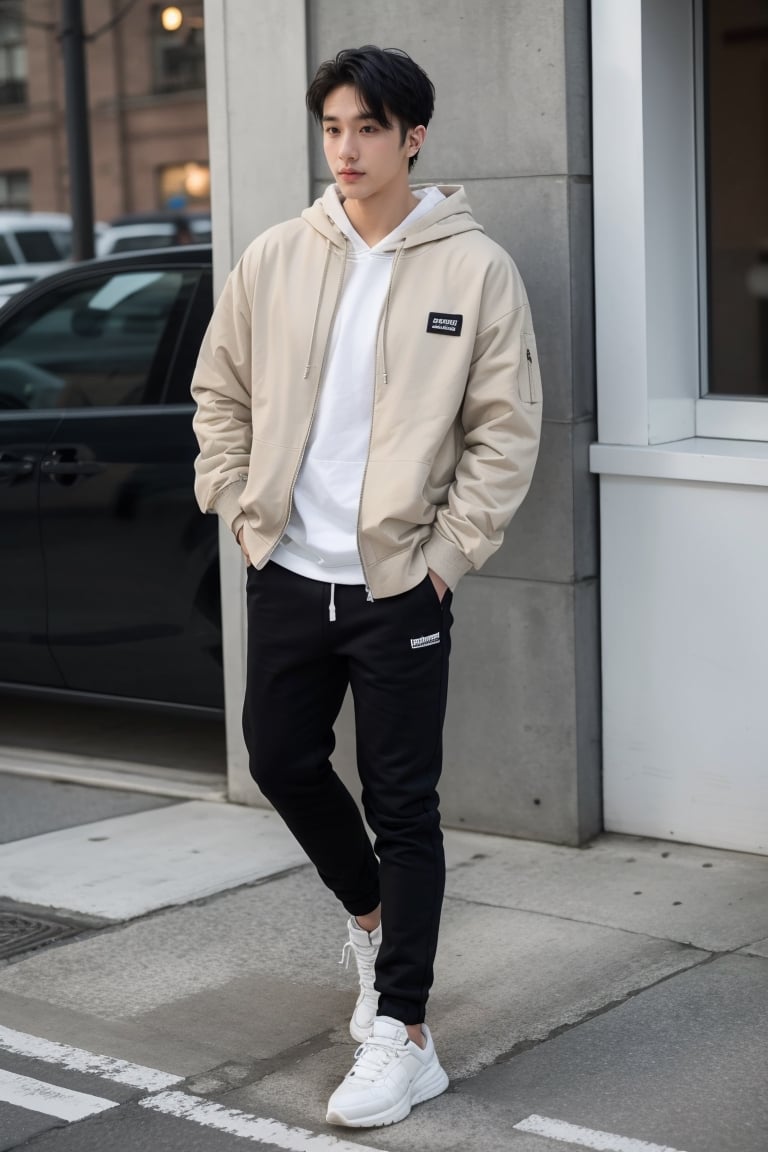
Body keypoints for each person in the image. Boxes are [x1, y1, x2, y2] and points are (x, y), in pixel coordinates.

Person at [191, 44, 542, 1128]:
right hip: (289, 570)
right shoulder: (277, 257)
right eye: (332, 128)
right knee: (281, 759)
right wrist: (237, 508)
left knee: (405, 807)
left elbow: (504, 432)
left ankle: (406, 1033)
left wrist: (444, 561)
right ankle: (371, 918)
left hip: (399, 586)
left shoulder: (473, 268)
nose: (345, 149)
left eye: (368, 129)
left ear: (414, 137)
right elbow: (222, 389)